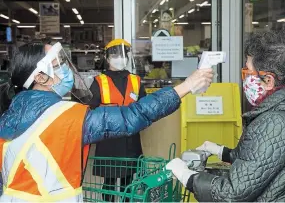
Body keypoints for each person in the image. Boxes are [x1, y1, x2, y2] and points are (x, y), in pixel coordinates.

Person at [0, 41, 213, 202]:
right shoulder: (67, 116)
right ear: (40, 77)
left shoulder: (8, 116)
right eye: (57, 65)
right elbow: (133, 116)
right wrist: (186, 86)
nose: (65, 68)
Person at [166, 31, 285, 202]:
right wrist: (220, 151)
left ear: (268, 81)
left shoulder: (274, 122)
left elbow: (232, 193)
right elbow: (262, 160)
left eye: (248, 72)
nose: (244, 79)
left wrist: (188, 177)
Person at [89, 39, 146, 201]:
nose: (120, 58)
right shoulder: (99, 81)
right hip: (109, 139)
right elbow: (91, 108)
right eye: (115, 55)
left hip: (131, 139)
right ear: (107, 58)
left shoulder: (136, 80)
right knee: (110, 180)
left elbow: (144, 106)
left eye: (123, 55)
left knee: (128, 180)